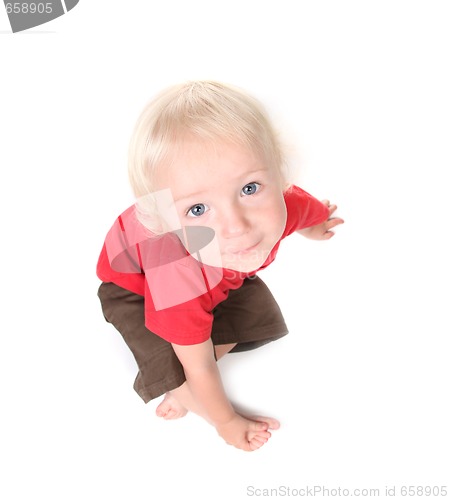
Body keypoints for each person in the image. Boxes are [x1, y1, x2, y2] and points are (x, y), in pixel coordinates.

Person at [96, 80, 344, 452]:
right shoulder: (176, 277)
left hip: (219, 275)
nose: (236, 227)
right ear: (167, 221)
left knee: (259, 314)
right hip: (134, 288)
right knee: (171, 358)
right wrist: (224, 421)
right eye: (197, 209)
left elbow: (306, 211)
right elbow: (199, 364)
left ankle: (189, 383)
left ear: (279, 174)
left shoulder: (284, 204)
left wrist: (318, 224)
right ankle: (182, 395)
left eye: (250, 188)